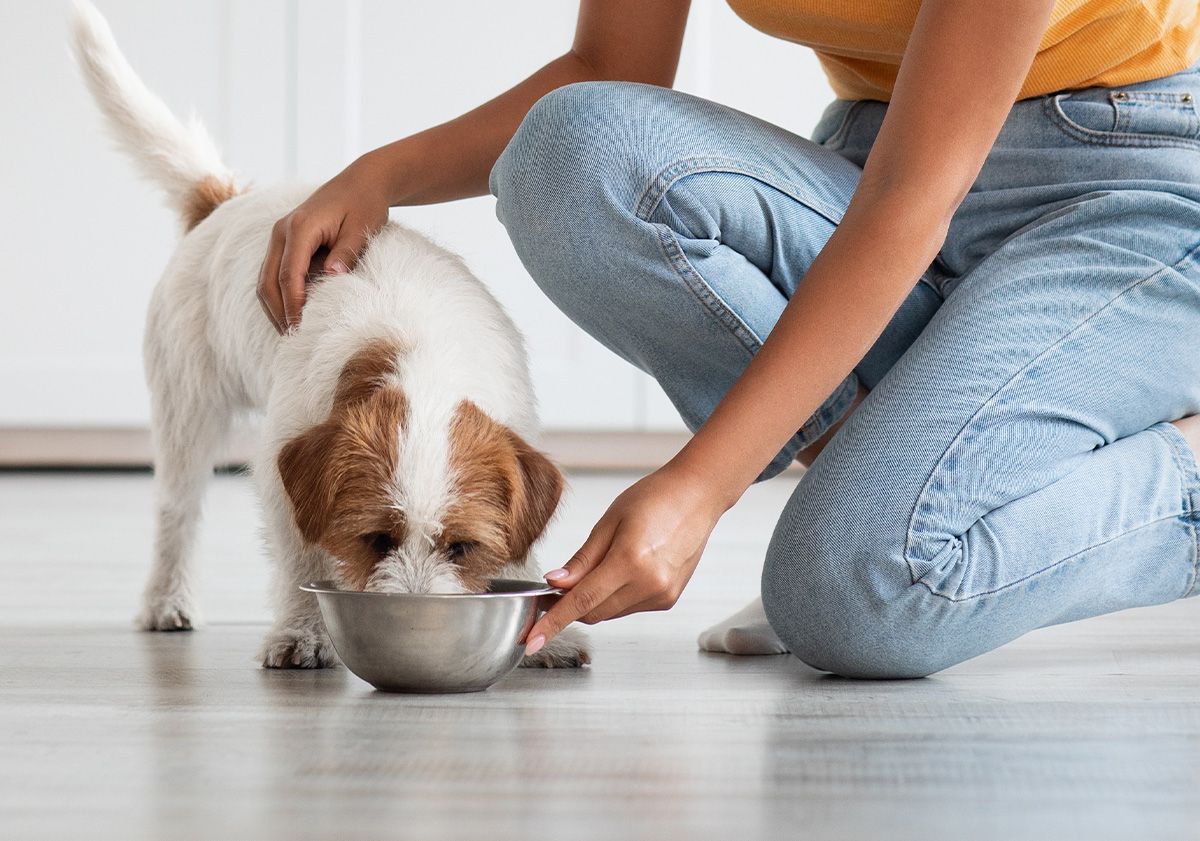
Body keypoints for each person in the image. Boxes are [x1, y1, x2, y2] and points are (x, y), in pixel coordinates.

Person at [258, 0, 1200, 678]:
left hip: (1123, 184)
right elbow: (609, 69)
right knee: (570, 155)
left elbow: (913, 201)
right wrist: (379, 174)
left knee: (853, 595)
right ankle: (879, 494)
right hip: (871, 156)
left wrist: (698, 489)